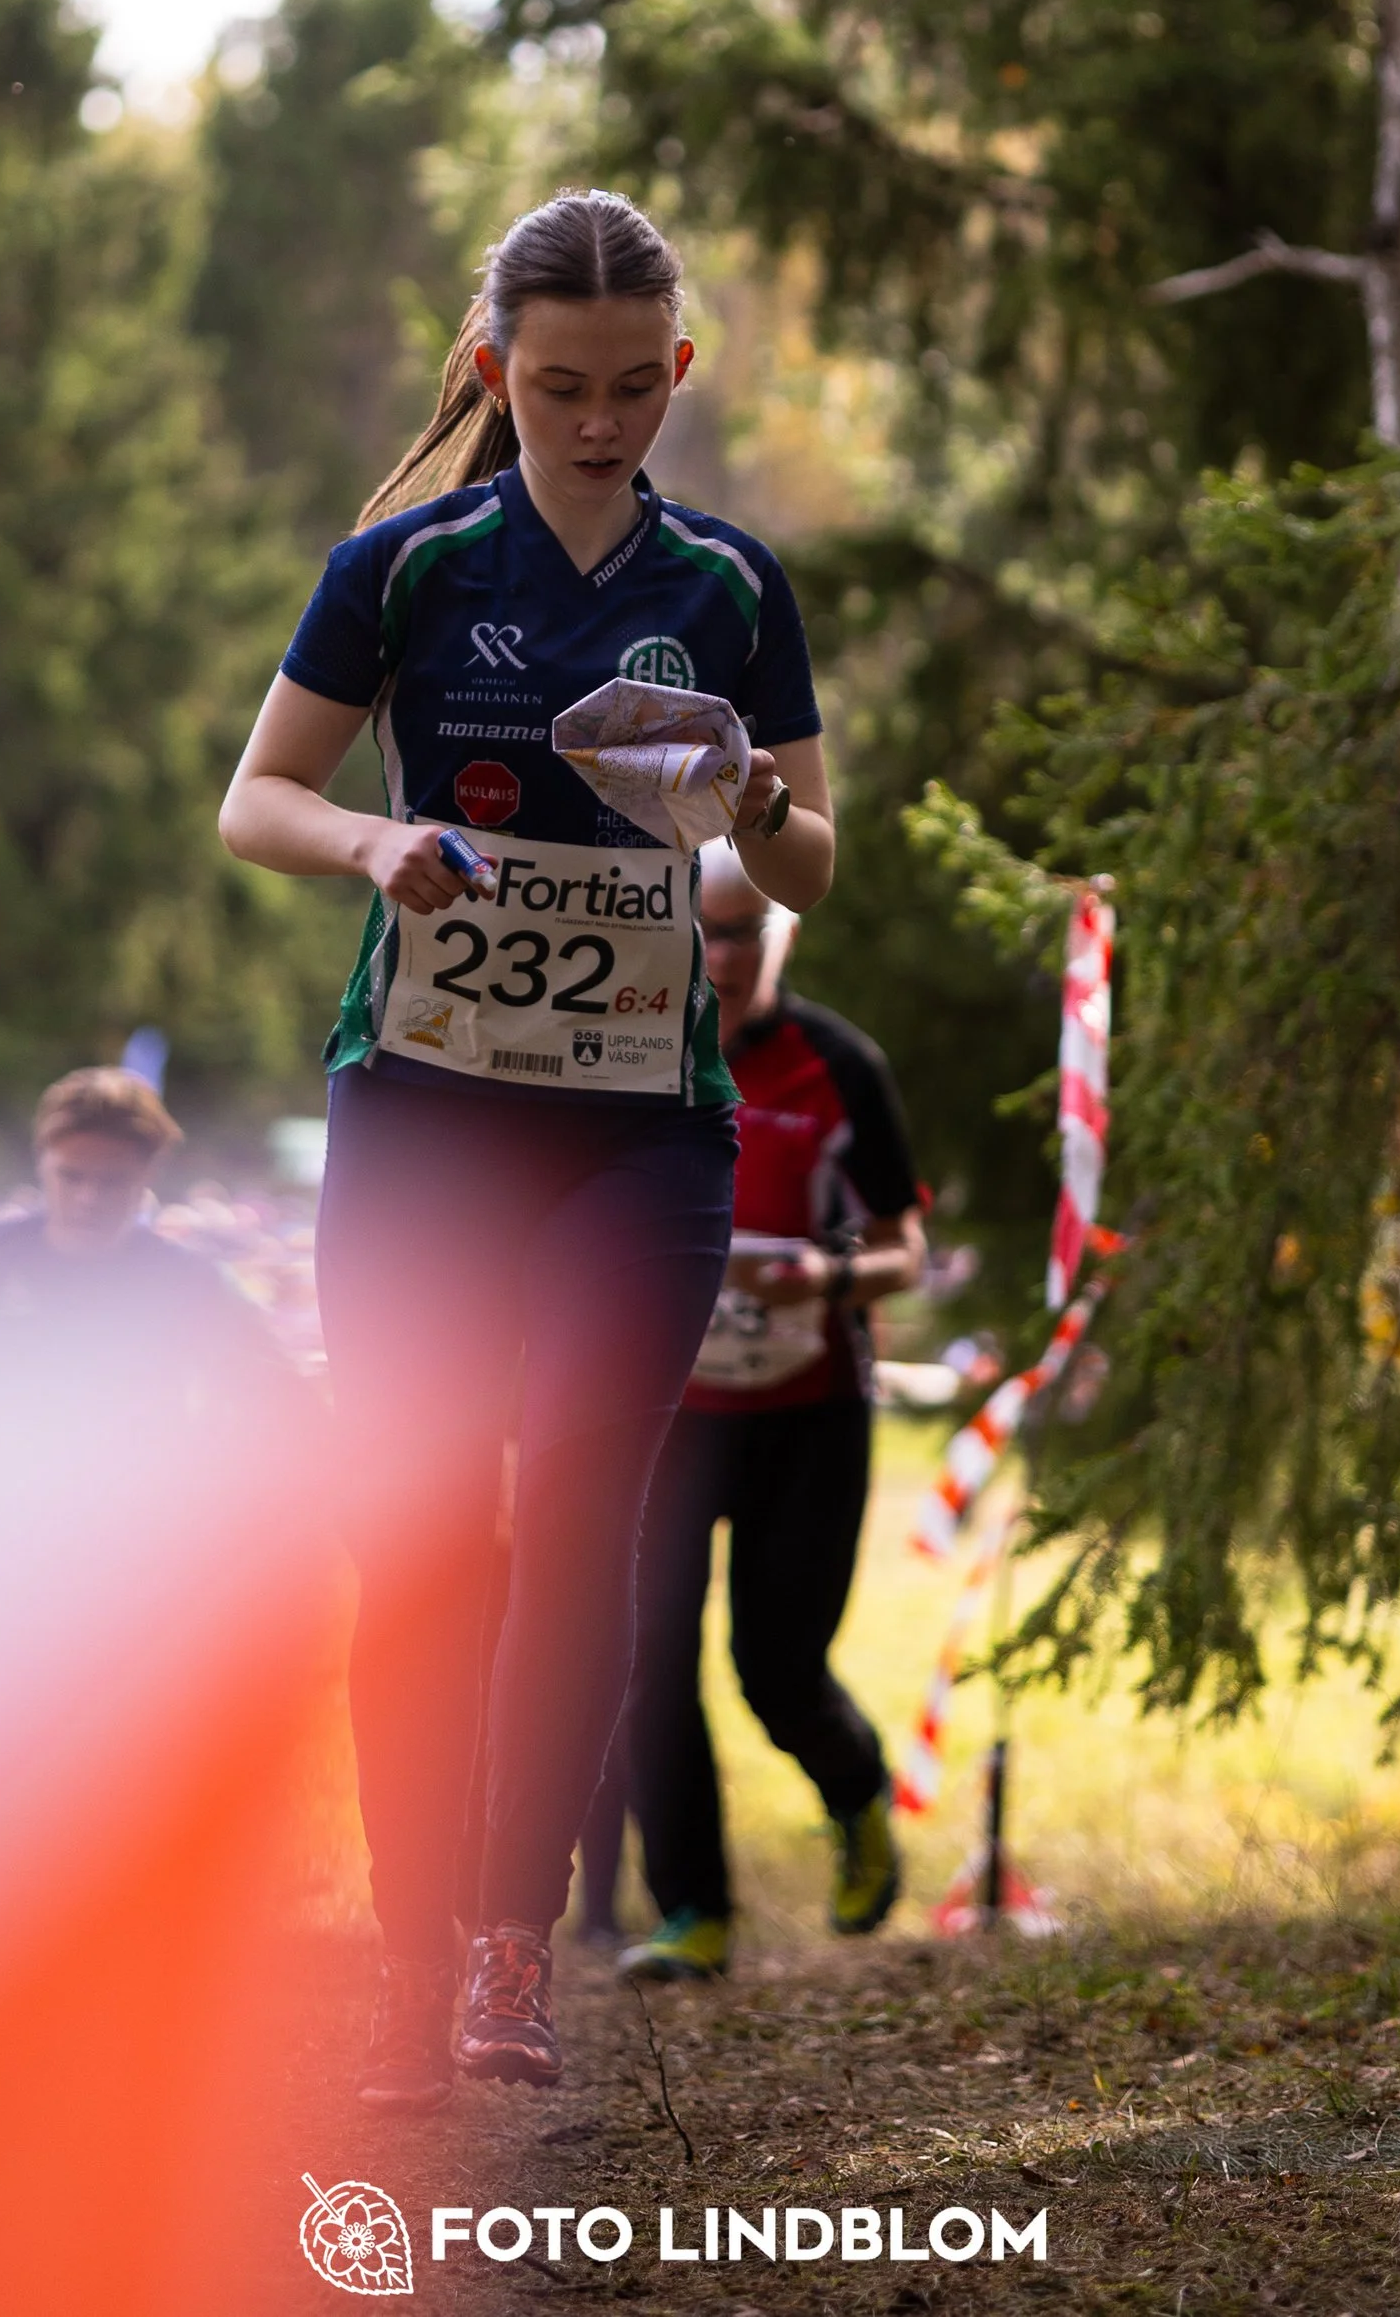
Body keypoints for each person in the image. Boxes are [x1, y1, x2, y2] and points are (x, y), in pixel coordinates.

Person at [219, 189, 835, 2112]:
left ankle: (509, 1954)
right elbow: (259, 799)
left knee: (577, 1521)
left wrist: (749, 801)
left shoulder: (729, 588)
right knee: (417, 1542)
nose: (597, 422)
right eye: (559, 387)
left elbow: (809, 863)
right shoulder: (404, 572)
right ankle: (409, 1973)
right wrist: (377, 847)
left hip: (638, 1139)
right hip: (419, 1115)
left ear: (679, 373)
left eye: (636, 389)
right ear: (496, 372)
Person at [610, 843, 925, 1979]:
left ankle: (858, 1794)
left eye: (743, 931)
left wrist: (818, 1279)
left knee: (777, 1665)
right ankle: (692, 1911)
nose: (723, 956)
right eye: (702, 930)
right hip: (668, 1410)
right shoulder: (631, 1048)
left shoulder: (838, 1063)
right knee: (647, 1659)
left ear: (781, 933)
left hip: (810, 1410)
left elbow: (905, 1246)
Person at [0, 1071, 289, 1433]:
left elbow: (284, 1403)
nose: (88, 1197)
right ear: (40, 1161)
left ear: (148, 1174)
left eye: (111, 1181)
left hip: (147, 1523)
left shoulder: (194, 1282)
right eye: (72, 1176)